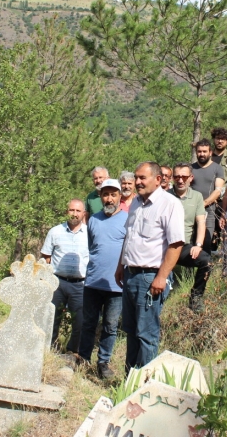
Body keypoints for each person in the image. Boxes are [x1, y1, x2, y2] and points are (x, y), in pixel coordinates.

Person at [116, 162, 185, 371]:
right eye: (136, 178)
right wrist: (121, 266)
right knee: (130, 330)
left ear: (157, 179)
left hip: (151, 277)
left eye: (142, 178)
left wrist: (161, 277)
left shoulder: (169, 204)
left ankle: (145, 385)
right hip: (130, 273)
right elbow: (129, 236)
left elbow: (175, 244)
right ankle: (129, 382)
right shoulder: (136, 203)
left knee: (146, 334)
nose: (137, 182)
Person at [78, 179, 127, 380]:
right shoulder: (93, 220)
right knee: (89, 322)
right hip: (93, 281)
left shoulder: (128, 219)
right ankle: (82, 358)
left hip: (117, 285)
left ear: (120, 197)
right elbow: (91, 247)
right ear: (100, 197)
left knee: (110, 326)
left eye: (113, 195)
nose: (109, 199)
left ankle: (103, 362)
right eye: (105, 194)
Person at [41, 199, 90, 355]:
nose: (74, 214)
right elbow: (46, 256)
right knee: (52, 318)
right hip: (57, 283)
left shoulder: (90, 234)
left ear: (84, 214)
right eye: (71, 210)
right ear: (66, 212)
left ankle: (72, 352)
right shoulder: (55, 231)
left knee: (80, 321)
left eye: (78, 211)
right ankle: (49, 350)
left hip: (80, 285)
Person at [171, 163, 213, 312]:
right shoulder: (165, 196)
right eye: (177, 177)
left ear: (191, 177)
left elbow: (201, 222)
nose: (180, 180)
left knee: (207, 262)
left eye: (184, 176)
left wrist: (198, 244)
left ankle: (196, 296)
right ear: (172, 178)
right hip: (164, 246)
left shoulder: (196, 196)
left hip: (183, 246)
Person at [190, 139, 225, 247]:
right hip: (191, 209)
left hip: (209, 211)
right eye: (199, 151)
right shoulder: (190, 168)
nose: (202, 154)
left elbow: (218, 190)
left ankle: (205, 263)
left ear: (210, 152)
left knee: (206, 241)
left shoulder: (217, 168)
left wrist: (203, 203)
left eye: (204, 151)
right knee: (190, 240)